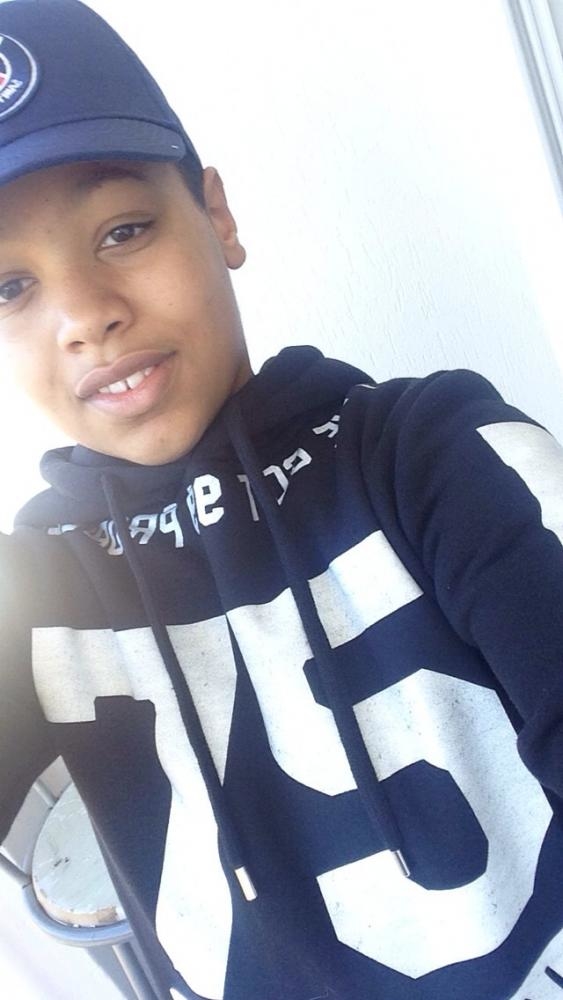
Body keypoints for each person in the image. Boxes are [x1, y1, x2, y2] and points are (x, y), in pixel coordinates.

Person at [0, 1, 562, 998]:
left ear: (216, 217)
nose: (86, 315)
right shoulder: (32, 592)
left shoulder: (435, 455)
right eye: (9, 289)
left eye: (122, 230)